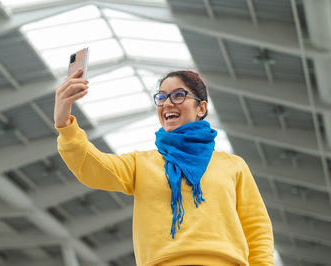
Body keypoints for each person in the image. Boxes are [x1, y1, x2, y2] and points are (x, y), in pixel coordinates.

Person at [54, 69, 275, 266]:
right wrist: (65, 124)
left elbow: (256, 229)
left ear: (201, 107)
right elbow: (94, 167)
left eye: (178, 95)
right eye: (161, 97)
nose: (167, 103)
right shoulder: (141, 164)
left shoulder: (233, 166)